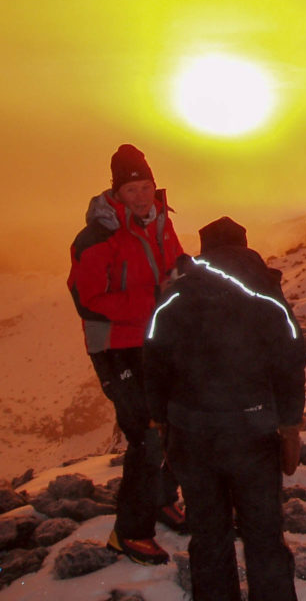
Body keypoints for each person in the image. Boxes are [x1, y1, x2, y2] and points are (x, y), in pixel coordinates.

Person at [145, 216, 306, 601]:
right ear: (246, 249)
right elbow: (290, 362)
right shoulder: (267, 297)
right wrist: (290, 427)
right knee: (264, 531)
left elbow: (153, 362)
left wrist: (161, 422)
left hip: (190, 432)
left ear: (204, 254)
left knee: (208, 532)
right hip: (253, 430)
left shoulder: (174, 298)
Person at [68, 144, 187, 565]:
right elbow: (89, 299)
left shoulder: (159, 223)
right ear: (116, 192)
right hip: (115, 347)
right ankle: (130, 533)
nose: (141, 196)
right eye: (132, 188)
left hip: (155, 338)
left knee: (176, 419)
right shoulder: (96, 237)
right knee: (146, 435)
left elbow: (173, 266)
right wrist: (155, 299)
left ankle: (160, 499)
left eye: (146, 186)